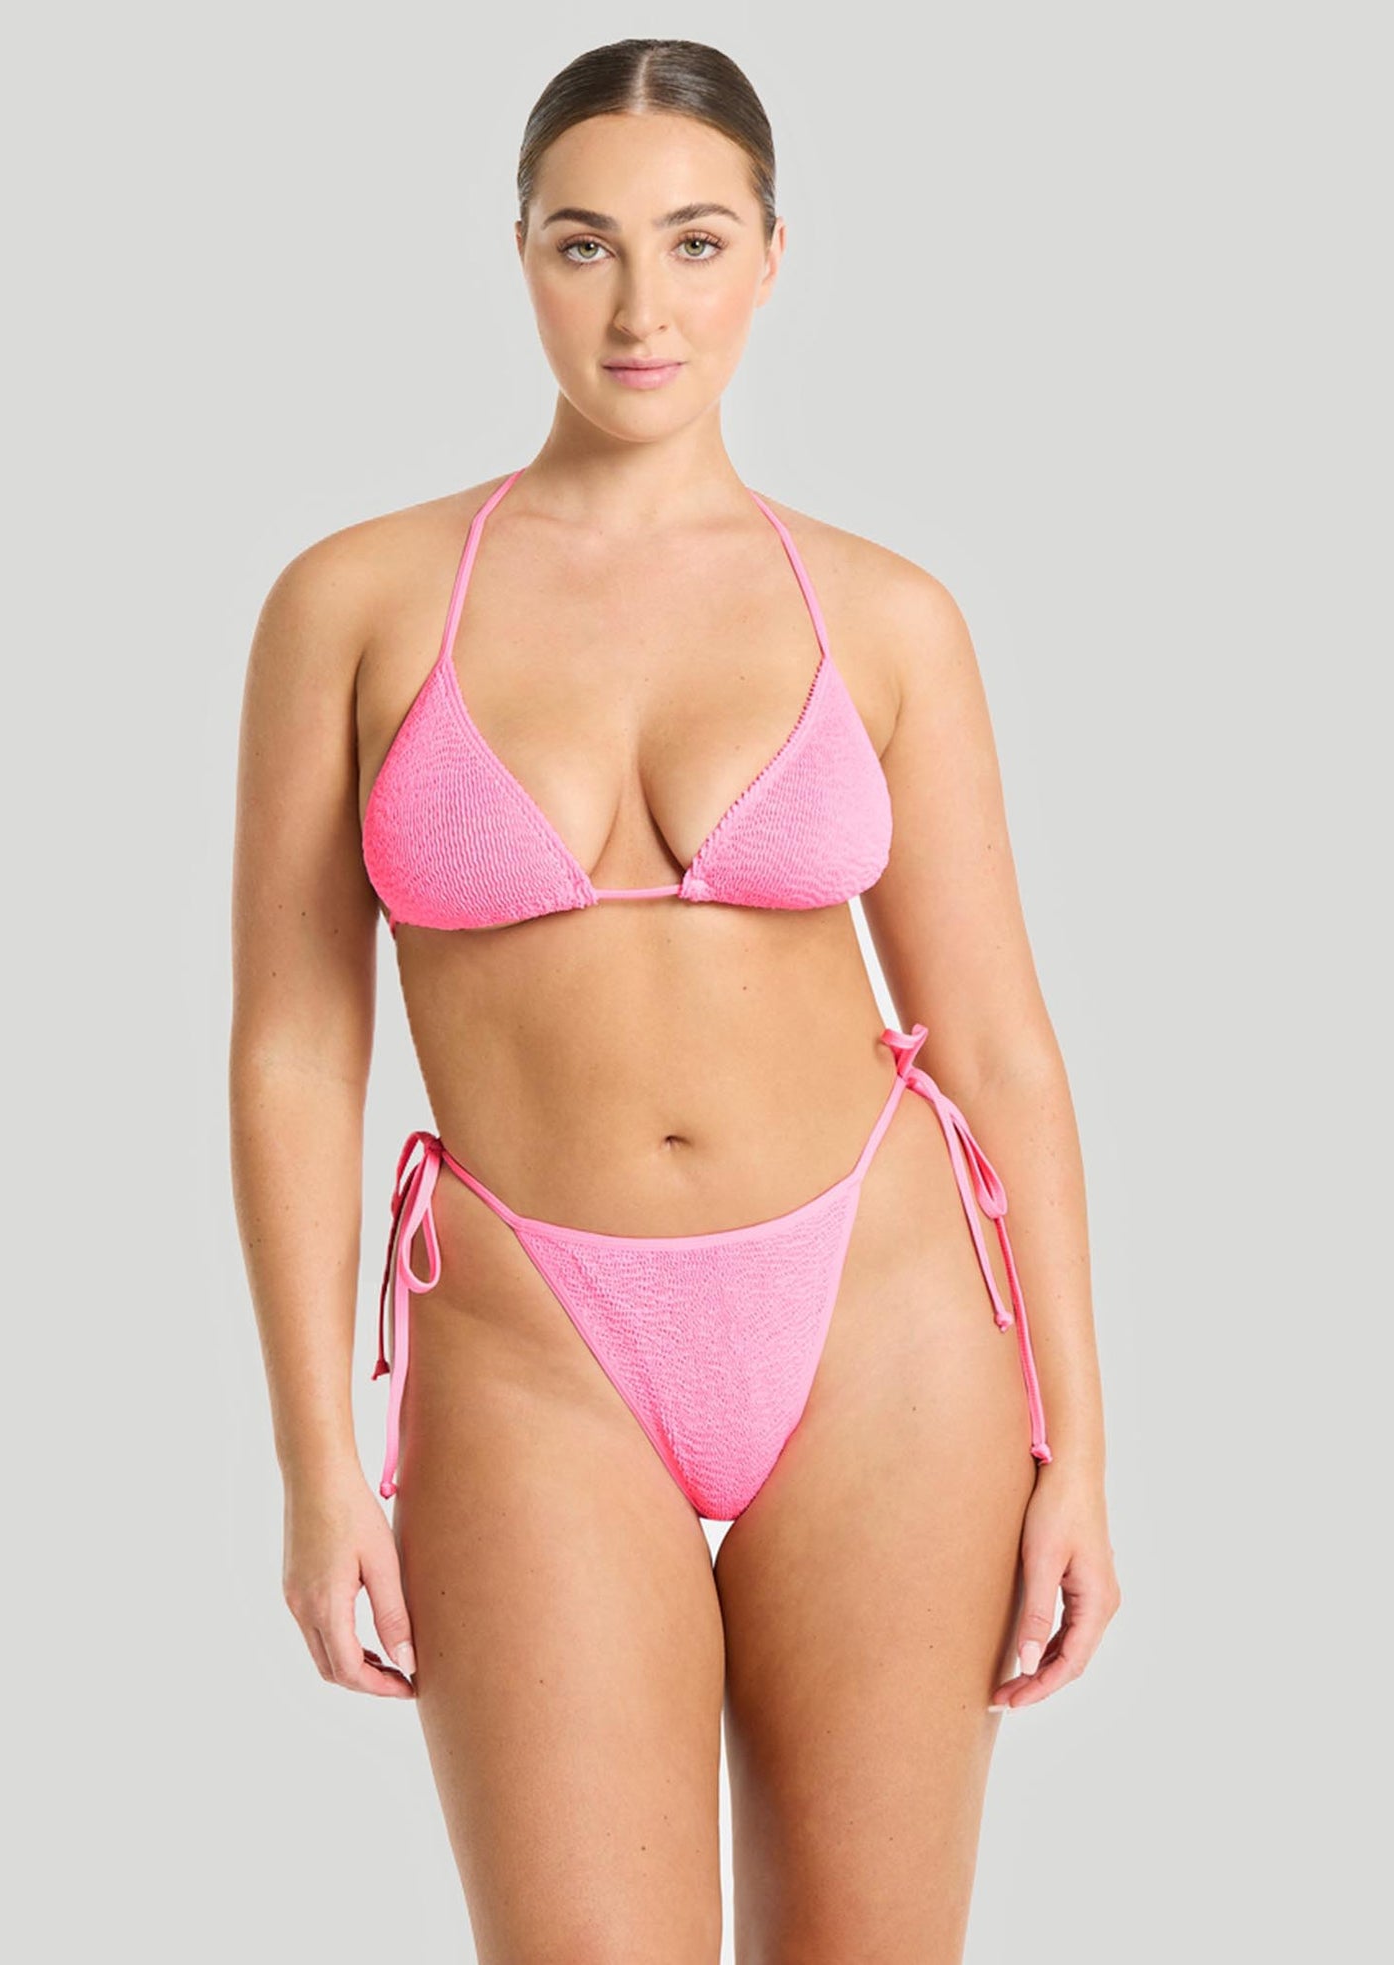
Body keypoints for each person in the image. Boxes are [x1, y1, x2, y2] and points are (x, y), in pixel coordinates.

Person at [230, 35, 1119, 1962]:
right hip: (530, 1340)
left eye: (696, 243)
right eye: (587, 244)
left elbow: (997, 1045)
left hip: (883, 1326)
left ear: (773, 259)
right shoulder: (354, 601)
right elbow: (295, 1046)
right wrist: (314, 1467)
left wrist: (1082, 1451)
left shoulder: (885, 612)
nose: (642, 308)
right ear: (521, 255)